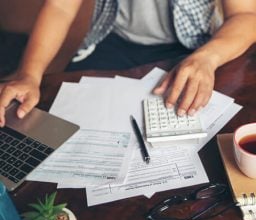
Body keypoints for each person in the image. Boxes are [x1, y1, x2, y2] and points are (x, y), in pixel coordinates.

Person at [0, 0, 256, 127]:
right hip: (114, 40)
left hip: (193, 48)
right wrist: (29, 74)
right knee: (64, 124)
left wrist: (206, 58)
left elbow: (246, 16)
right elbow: (60, 7)